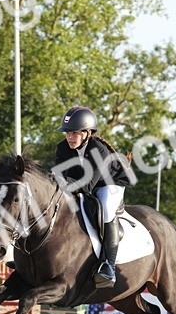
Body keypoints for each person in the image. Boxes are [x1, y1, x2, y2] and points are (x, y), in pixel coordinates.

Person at [52, 105, 135, 288]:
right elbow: (58, 176)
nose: (70, 138)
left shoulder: (99, 150)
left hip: (110, 184)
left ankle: (108, 266)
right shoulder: (62, 148)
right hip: (82, 183)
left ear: (87, 133)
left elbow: (88, 186)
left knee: (105, 207)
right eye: (67, 133)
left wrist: (61, 180)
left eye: (74, 133)